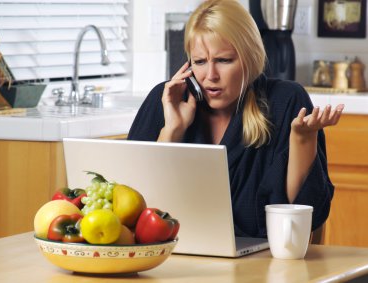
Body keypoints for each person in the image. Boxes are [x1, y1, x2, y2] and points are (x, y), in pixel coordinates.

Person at [127, 0, 344, 238]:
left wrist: (303, 139)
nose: (210, 76)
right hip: (173, 260)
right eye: (200, 62)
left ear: (249, 57)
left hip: (260, 265)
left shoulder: (285, 100)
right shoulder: (167, 98)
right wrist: (172, 130)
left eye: (224, 60)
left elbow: (301, 216)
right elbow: (130, 208)